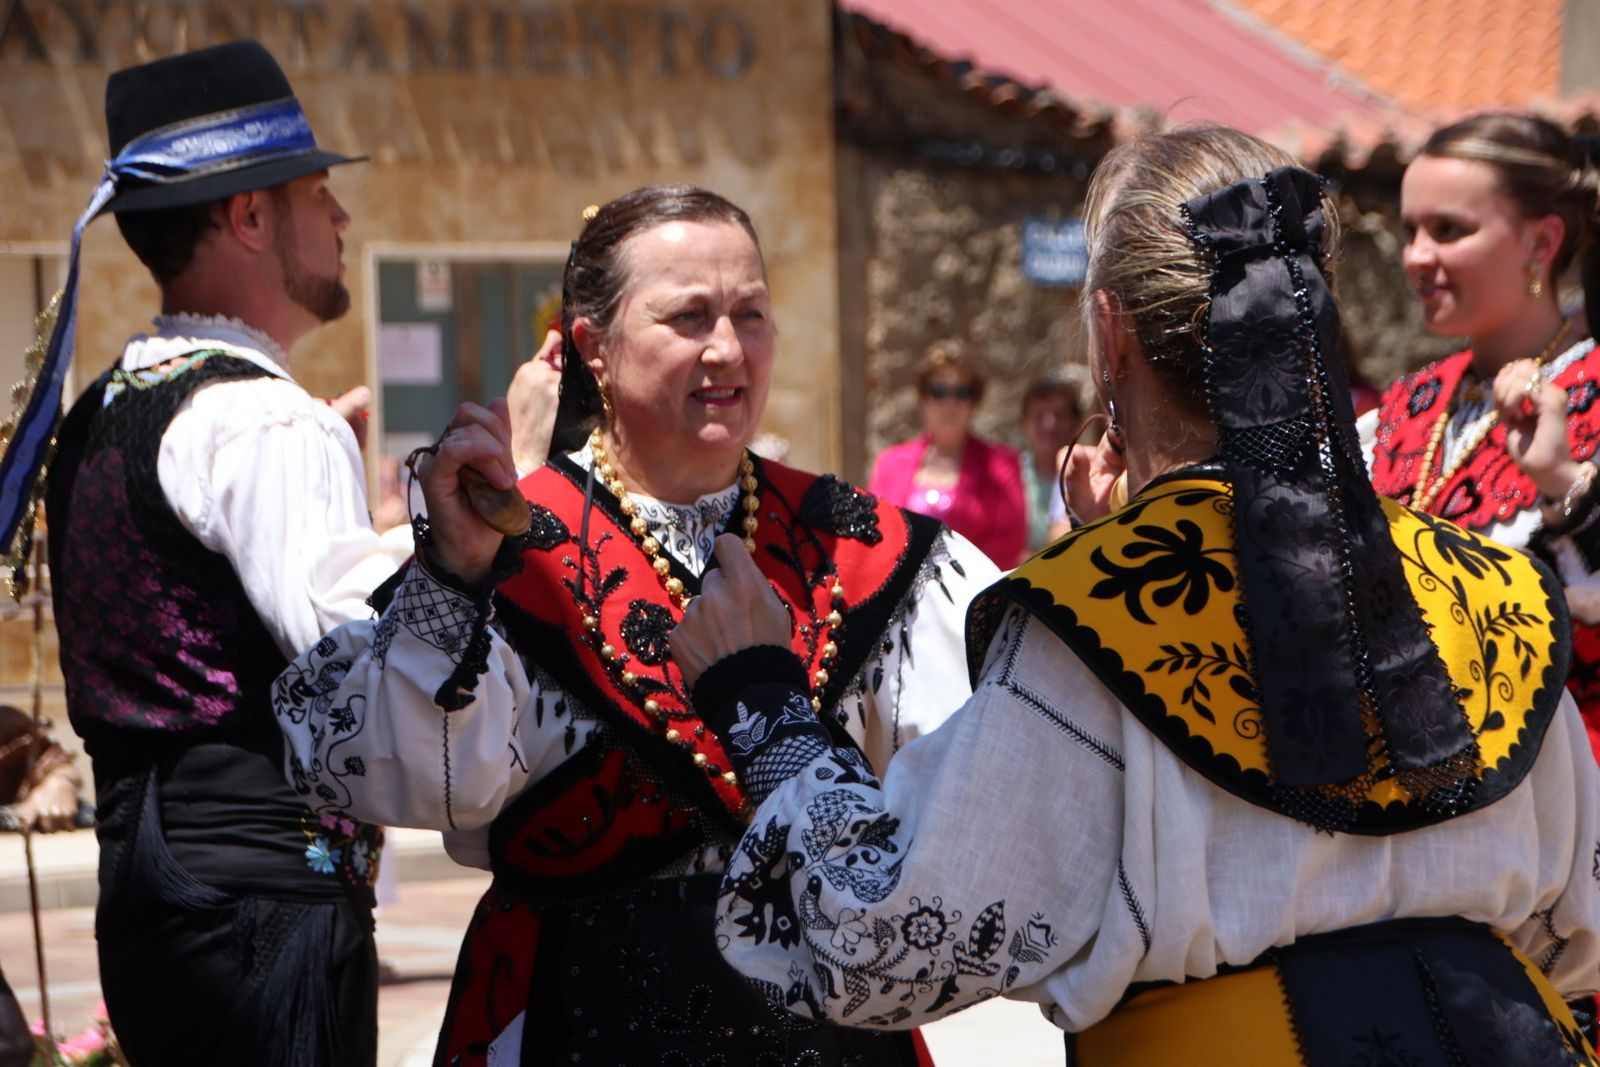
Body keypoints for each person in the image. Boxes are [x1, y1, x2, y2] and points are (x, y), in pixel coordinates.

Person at [665, 127, 1600, 1062]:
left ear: (1112, 336)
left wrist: (762, 700)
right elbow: (1577, 925)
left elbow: (889, 937)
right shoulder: (1496, 585)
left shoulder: (1093, 615)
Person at [271, 185, 996, 1065]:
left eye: (751, 314)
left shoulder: (862, 547)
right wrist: (451, 579)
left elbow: (985, 795)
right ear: (593, 348)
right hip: (581, 1019)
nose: (727, 348)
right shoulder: (502, 542)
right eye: (688, 316)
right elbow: (407, 776)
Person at [36, 41, 407, 1066]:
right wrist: (467, 533)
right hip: (262, 906)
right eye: (318, 195)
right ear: (249, 216)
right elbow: (358, 676)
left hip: (149, 896)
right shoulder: (264, 421)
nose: (340, 222)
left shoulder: (108, 404)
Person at [1363, 111, 1600, 753]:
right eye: (1410, 230)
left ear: (1540, 243)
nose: (1416, 257)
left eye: (1448, 231)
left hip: (1564, 792)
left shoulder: (1595, 391)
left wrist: (1560, 480)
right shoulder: (1404, 407)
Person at [869, 342, 1028, 567]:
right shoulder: (890, 464)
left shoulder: (1003, 466)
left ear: (974, 401)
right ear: (923, 399)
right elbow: (876, 532)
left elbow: (1008, 544)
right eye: (938, 392)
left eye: (961, 393)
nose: (949, 404)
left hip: (972, 593)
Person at [1017, 378, 1082, 553]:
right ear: (1024, 423)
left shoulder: (1089, 475)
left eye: (1059, 415)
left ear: (1076, 423)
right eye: (1039, 416)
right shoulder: (1008, 475)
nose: (1050, 425)